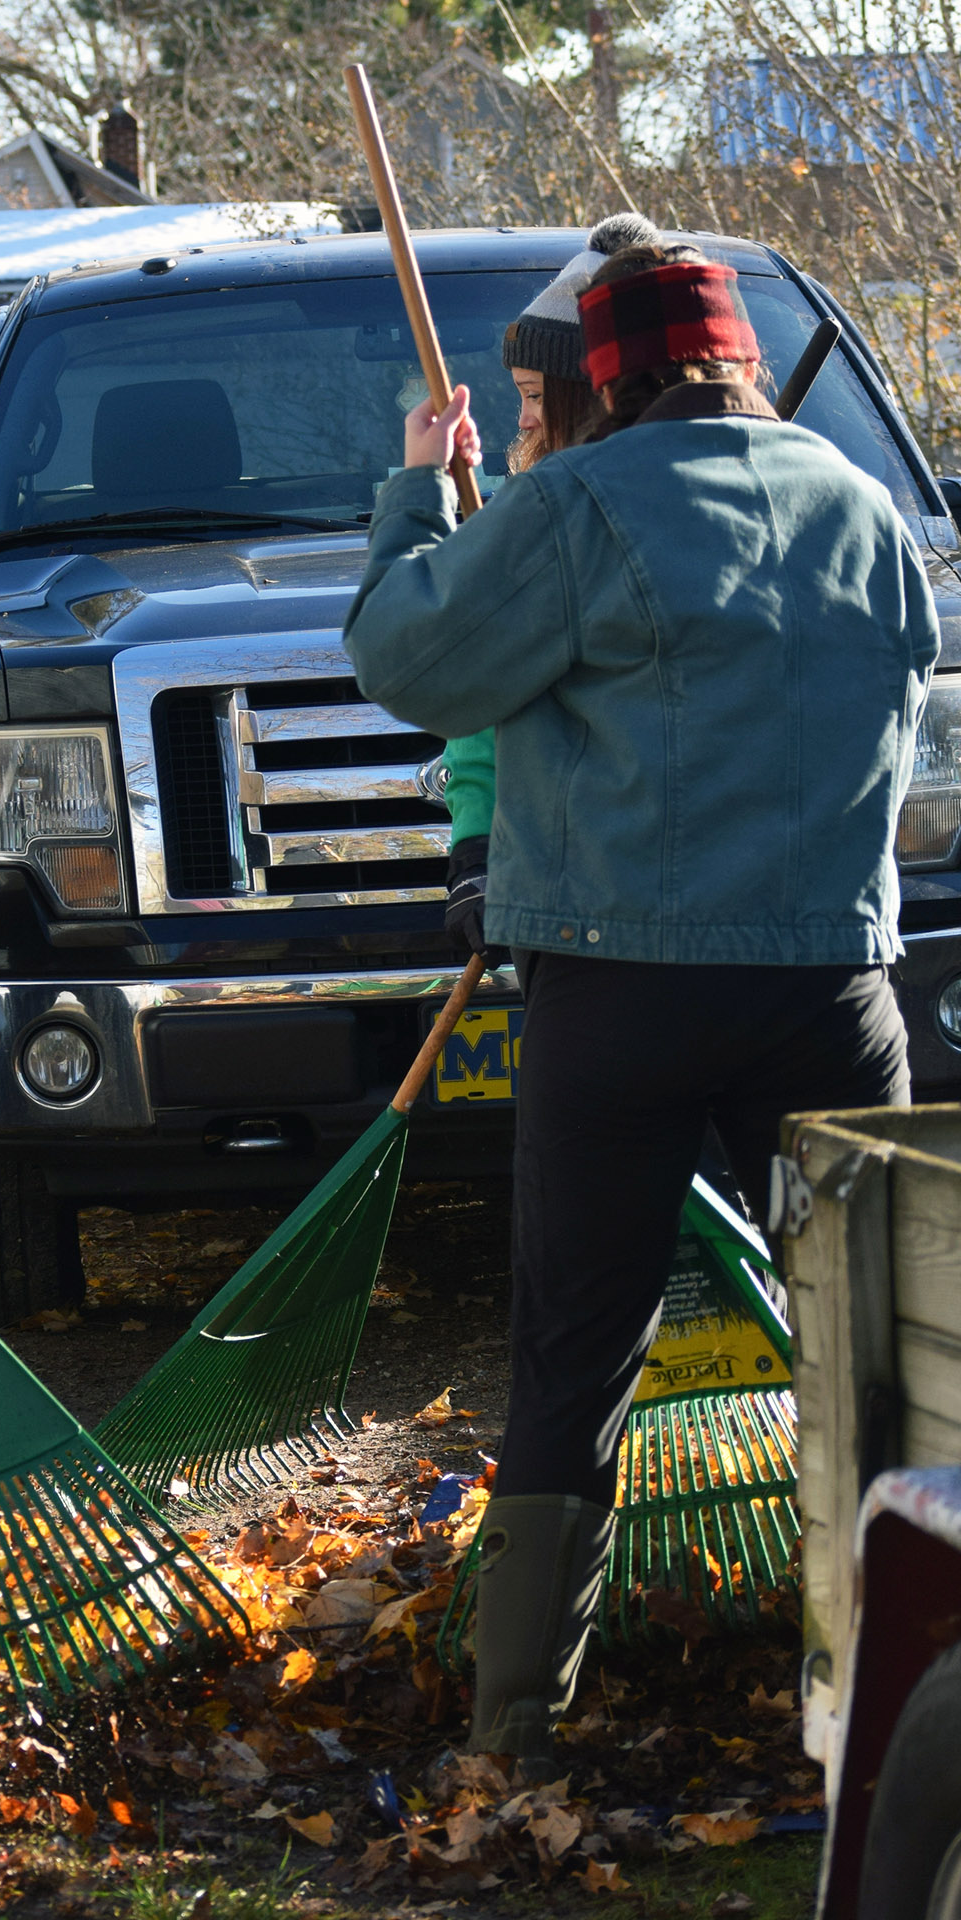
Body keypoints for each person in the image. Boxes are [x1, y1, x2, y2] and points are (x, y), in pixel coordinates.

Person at [344, 241, 938, 1775]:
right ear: (736, 357)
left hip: (623, 997)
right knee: (884, 1357)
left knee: (576, 1356)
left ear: (603, 375)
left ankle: (517, 1738)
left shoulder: (579, 502)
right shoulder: (865, 508)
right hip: (834, 990)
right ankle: (899, 1701)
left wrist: (422, 493)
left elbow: (411, 659)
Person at [443, 214, 655, 959]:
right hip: (569, 913)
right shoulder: (528, 523)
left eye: (537, 395)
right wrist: (476, 848)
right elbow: (479, 704)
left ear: (589, 391)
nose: (525, 418)